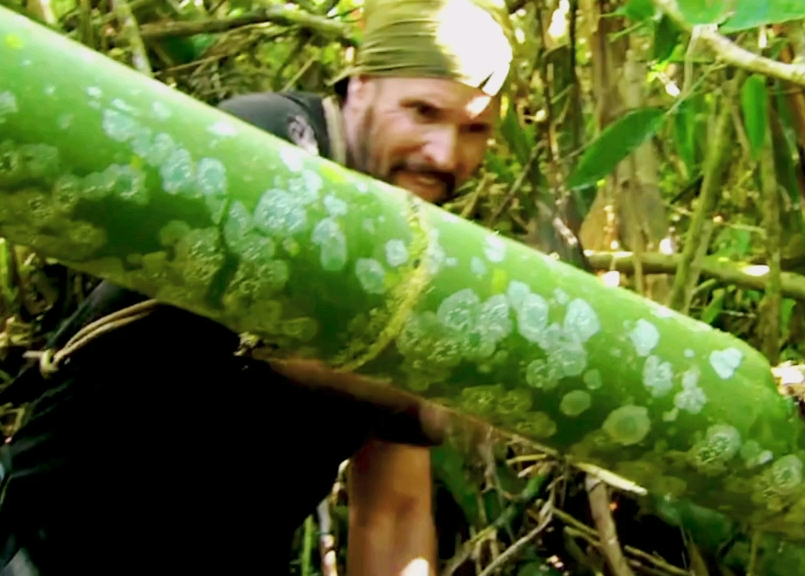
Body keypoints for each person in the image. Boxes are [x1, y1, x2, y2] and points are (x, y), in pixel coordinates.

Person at [0, 0, 514, 573]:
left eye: (475, 130)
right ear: (361, 87)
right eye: (422, 112)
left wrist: (431, 370)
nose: (445, 153)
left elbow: (393, 511)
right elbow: (283, 326)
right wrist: (433, 374)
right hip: (55, 544)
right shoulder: (268, 143)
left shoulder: (425, 260)